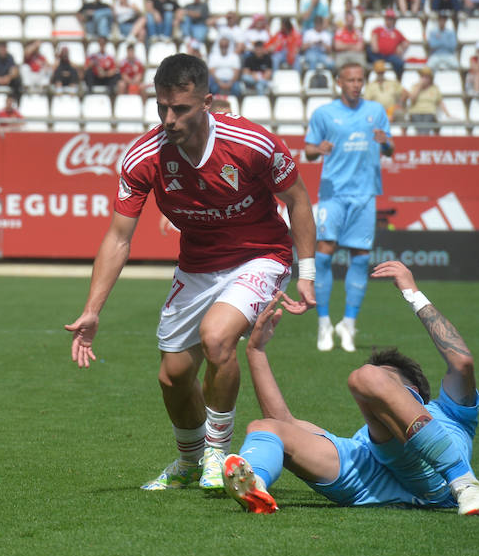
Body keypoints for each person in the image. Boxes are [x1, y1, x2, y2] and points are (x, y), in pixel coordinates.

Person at [66, 53, 316, 491]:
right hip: (198, 265)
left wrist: (307, 271)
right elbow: (118, 237)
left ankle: (220, 455)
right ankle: (190, 460)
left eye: (179, 108)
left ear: (207, 102)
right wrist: (92, 310)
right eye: (161, 106)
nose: (168, 118)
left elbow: (297, 199)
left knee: (217, 338)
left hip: (261, 255)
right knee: (173, 375)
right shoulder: (144, 157)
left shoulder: (251, 142)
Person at [221, 264, 479, 517]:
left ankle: (464, 481)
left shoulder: (450, 412)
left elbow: (462, 362)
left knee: (364, 376)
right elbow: (283, 424)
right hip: (373, 477)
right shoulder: (366, 438)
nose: (376, 385)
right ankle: (255, 487)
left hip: (435, 479)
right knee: (263, 427)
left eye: (388, 378)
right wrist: (256, 351)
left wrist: (412, 293)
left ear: (412, 389)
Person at [303, 62, 391, 353]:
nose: (355, 84)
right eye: (350, 80)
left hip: (365, 195)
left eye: (359, 80)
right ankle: (324, 322)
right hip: (333, 194)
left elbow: (390, 146)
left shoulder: (376, 111)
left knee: (361, 258)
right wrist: (319, 149)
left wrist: (385, 142)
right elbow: (309, 150)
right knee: (325, 255)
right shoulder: (324, 114)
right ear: (339, 82)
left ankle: (349, 323)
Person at [402, 67, 448, 135]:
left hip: (430, 112)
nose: (424, 79)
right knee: (417, 121)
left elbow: (440, 102)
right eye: (422, 76)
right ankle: (423, 138)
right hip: (415, 112)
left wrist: (447, 114)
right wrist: (419, 87)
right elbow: (412, 98)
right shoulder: (415, 86)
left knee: (428, 120)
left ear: (430, 78)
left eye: (426, 77)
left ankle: (422, 137)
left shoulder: (435, 88)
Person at [366, 9, 407, 80]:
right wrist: (374, 43)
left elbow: (406, 42)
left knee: (400, 63)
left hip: (390, 56)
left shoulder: (396, 32)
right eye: (388, 18)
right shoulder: (379, 29)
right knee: (369, 51)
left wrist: (401, 47)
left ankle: (398, 80)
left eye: (391, 19)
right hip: (378, 55)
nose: (389, 21)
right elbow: (374, 36)